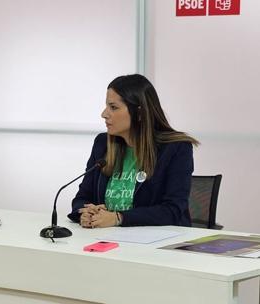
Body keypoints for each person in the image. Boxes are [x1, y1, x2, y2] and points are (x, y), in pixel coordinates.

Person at [69, 74, 198, 228]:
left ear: (139, 113)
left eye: (113, 107)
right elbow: (82, 197)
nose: (104, 114)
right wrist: (85, 212)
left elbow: (172, 210)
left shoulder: (176, 148)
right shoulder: (102, 144)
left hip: (155, 244)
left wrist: (119, 218)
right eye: (106, 106)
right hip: (106, 239)